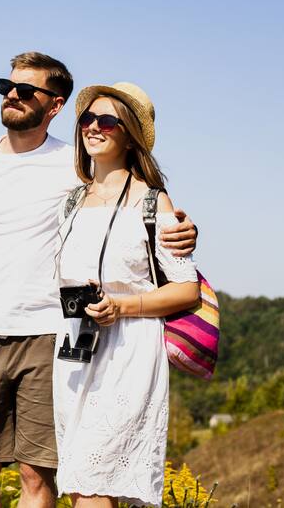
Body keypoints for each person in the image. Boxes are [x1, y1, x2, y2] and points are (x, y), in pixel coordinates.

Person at [0, 53, 198, 508]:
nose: (12, 96)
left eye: (25, 90)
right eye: (6, 86)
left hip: (63, 338)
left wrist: (186, 230)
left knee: (51, 481)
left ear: (54, 105)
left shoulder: (79, 169)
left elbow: (162, 242)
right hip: (5, 333)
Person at [52, 82, 200, 508]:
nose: (93, 127)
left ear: (129, 134)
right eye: (86, 119)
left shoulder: (153, 203)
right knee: (82, 484)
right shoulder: (71, 201)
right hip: (75, 352)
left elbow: (186, 288)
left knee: (96, 487)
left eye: (107, 121)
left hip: (128, 354)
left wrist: (122, 306)